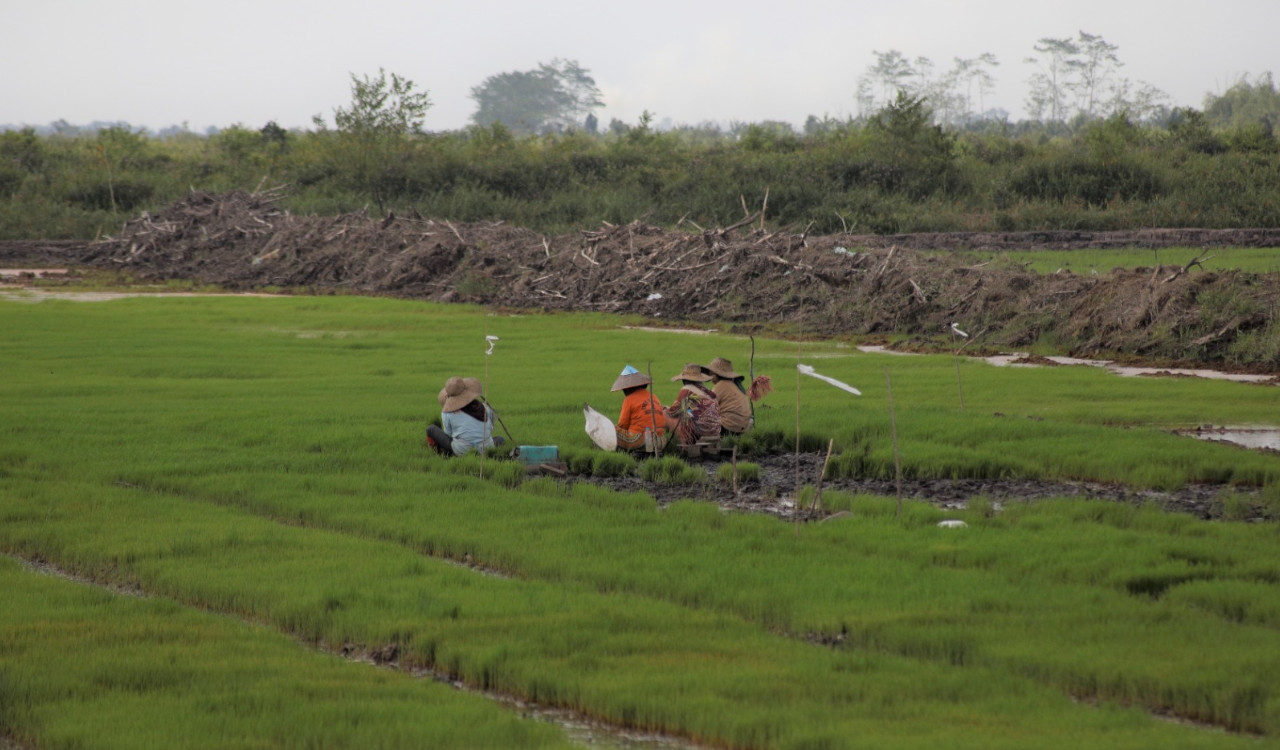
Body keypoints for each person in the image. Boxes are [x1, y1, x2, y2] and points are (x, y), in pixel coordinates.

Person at [426, 376, 502, 456]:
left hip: (462, 450)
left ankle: (438, 453)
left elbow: (448, 435)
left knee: (431, 429)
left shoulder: (447, 413)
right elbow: (490, 429)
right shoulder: (485, 407)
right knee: (500, 439)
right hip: (486, 448)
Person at [664, 362, 721, 455]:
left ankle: (681, 446)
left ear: (684, 380)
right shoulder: (707, 391)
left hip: (701, 431)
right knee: (686, 414)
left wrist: (665, 408)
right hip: (715, 430)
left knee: (665, 415)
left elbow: (672, 411)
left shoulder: (687, 389)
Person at [611, 365, 665, 452]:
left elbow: (623, 425)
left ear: (627, 388)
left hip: (639, 440)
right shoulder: (654, 397)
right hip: (660, 440)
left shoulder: (629, 399)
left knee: (611, 429)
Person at [702, 357, 752, 435]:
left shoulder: (720, 386)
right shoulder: (735, 385)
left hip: (729, 427)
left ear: (716, 375)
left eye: (711, 374)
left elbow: (707, 407)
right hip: (744, 426)